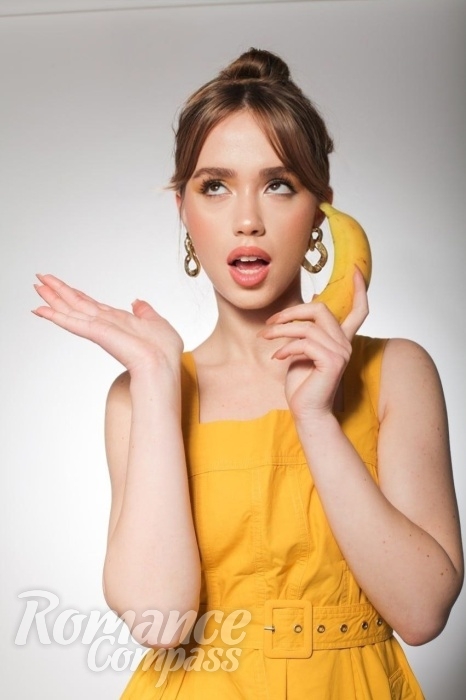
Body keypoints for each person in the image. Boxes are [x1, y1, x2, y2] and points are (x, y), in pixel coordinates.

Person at [33, 48, 463, 699]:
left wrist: (315, 418)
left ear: (321, 212)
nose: (247, 220)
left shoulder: (396, 372)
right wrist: (155, 378)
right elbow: (160, 620)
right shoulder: (138, 396)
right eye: (215, 186)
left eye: (278, 184)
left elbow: (423, 612)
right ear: (183, 210)